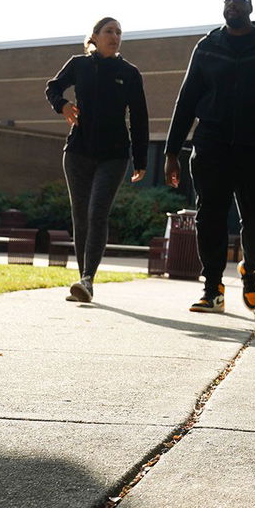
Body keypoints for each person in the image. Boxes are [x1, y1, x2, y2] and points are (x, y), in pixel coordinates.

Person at [164, 0, 255, 313]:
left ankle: (249, 268)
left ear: (251, 7)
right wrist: (171, 152)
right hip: (212, 144)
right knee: (209, 216)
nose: (233, 5)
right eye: (228, 0)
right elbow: (186, 101)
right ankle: (213, 289)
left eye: (239, 0)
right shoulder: (208, 47)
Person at [45, 17, 148, 303]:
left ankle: (87, 277)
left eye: (118, 32)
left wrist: (140, 159)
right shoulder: (78, 64)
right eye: (109, 31)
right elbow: (52, 87)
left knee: (97, 212)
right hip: (78, 151)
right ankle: (84, 279)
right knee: (80, 216)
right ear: (95, 36)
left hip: (113, 155)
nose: (114, 36)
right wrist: (62, 105)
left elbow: (139, 117)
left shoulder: (129, 73)